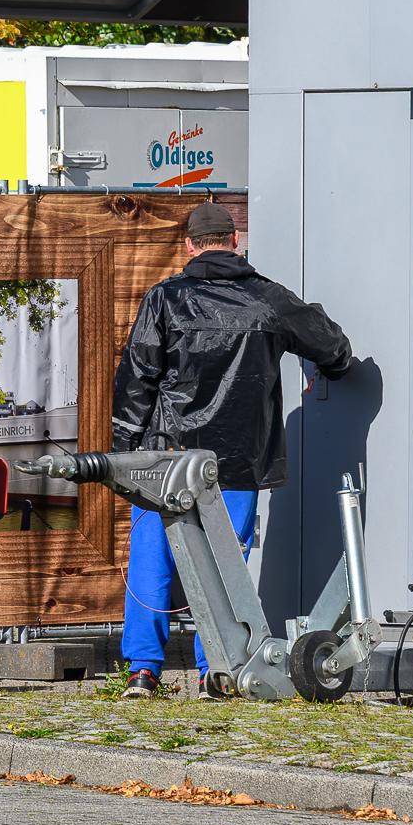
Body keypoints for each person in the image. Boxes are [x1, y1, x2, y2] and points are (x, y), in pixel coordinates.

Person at [112, 200, 353, 698]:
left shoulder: (164, 299)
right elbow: (331, 344)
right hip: (237, 459)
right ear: (235, 241)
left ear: (189, 246)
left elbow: (136, 378)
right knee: (226, 567)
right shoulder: (267, 298)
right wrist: (333, 367)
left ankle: (143, 671)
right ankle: (217, 672)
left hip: (165, 456)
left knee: (153, 559)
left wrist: (123, 453)